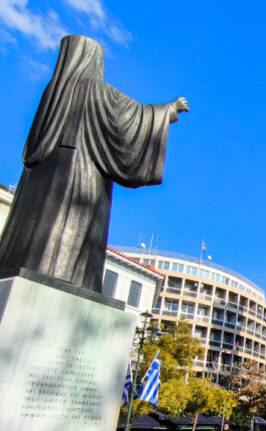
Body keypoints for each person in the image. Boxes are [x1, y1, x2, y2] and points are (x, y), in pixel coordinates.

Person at [0, 35, 188, 293]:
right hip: (79, 173)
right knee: (71, 234)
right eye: (101, 63)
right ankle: (69, 280)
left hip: (38, 181)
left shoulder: (52, 93)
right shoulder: (93, 88)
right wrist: (169, 109)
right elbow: (130, 120)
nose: (104, 69)